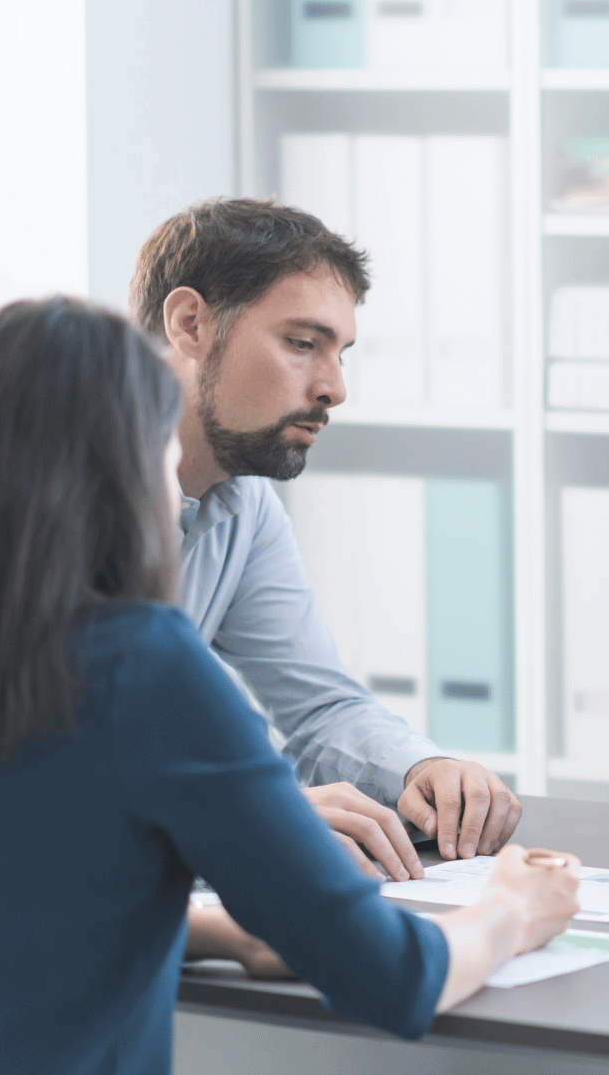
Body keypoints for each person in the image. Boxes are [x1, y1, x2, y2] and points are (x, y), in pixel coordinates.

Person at [0, 298, 579, 1075]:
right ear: (126, 471)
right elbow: (392, 977)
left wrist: (224, 933)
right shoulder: (144, 665)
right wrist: (513, 910)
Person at [130, 198, 518, 876]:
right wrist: (251, 809)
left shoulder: (243, 502)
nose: (334, 388)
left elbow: (319, 709)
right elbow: (30, 768)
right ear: (191, 324)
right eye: (302, 344)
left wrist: (422, 768)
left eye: (340, 354)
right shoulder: (54, 494)